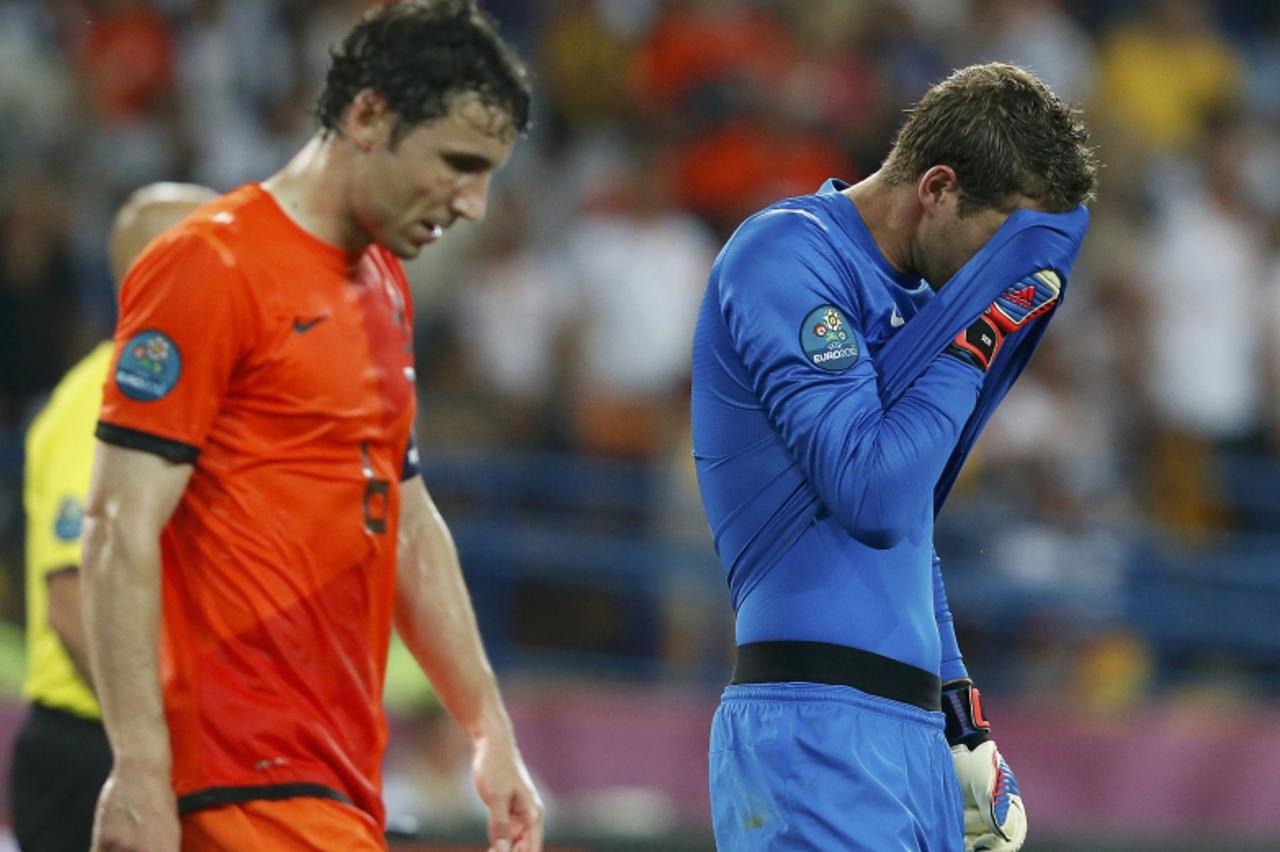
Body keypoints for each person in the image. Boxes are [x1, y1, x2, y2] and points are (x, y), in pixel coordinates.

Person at [80, 2, 543, 851]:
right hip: (236, 775)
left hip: (336, 774)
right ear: (368, 116)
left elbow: (405, 515)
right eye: (458, 163)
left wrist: (487, 727)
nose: (475, 205)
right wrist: (139, 766)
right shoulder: (211, 264)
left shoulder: (385, 284)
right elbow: (117, 522)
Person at [691, 62, 1097, 851]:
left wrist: (962, 720)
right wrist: (979, 338)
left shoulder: (917, 303)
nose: (1003, 279)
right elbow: (871, 492)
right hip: (811, 735)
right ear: (938, 188)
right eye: (1000, 247)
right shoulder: (787, 253)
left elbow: (908, 531)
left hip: (910, 739)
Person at [10, 181, 216, 852]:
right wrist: (154, 746)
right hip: (92, 751)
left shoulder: (182, 397)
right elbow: (74, 601)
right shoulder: (101, 402)